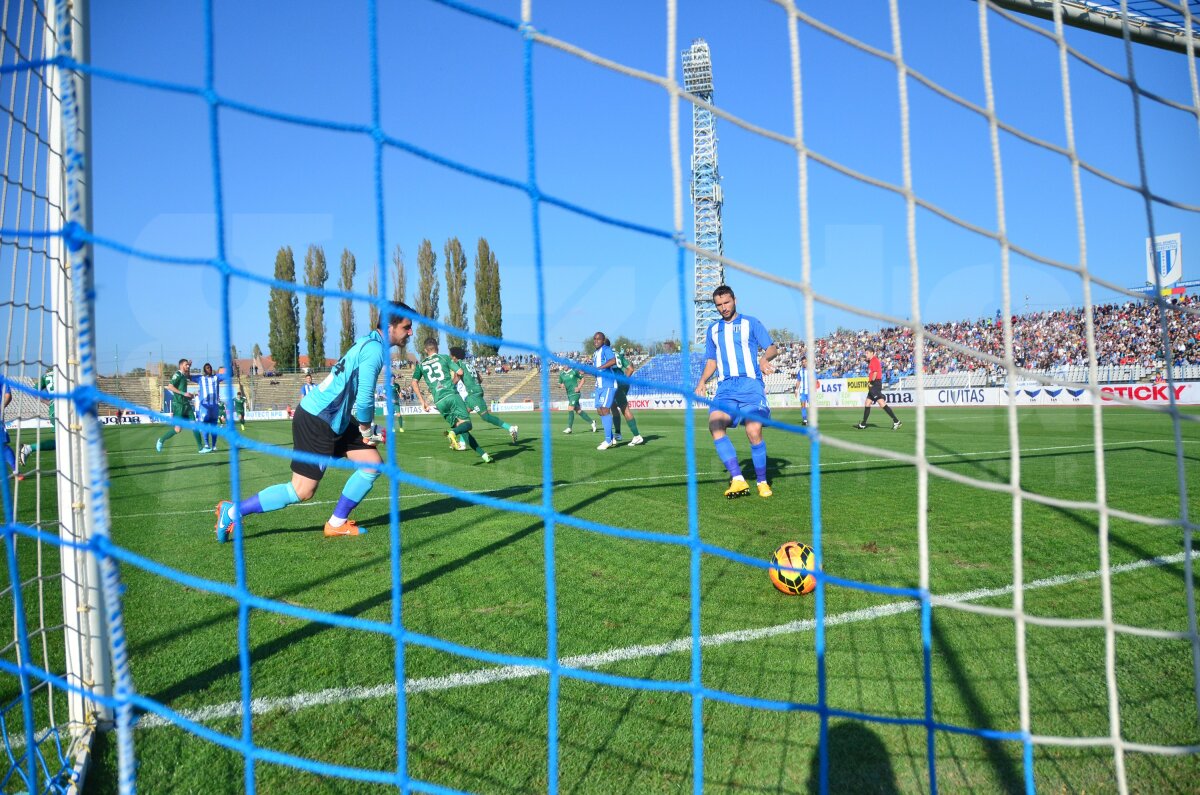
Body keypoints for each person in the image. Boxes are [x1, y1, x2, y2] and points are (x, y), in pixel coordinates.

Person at [215, 303, 416, 541]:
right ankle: (233, 511)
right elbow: (363, 401)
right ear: (390, 326)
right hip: (318, 419)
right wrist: (366, 430)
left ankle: (336, 523)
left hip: (335, 419)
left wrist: (366, 430)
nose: (411, 332)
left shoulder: (368, 343)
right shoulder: (373, 350)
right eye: (407, 327)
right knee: (301, 491)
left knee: (371, 464)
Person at [693, 285, 778, 498]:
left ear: (735, 300)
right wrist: (702, 380)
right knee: (715, 423)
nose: (723, 308)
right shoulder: (713, 329)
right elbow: (712, 360)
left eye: (727, 303)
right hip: (726, 389)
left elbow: (772, 348)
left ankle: (762, 481)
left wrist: (764, 358)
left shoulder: (751, 323)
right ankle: (738, 479)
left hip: (751, 386)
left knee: (753, 430)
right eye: (719, 305)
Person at [412, 337, 493, 463]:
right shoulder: (444, 357)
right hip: (451, 395)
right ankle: (453, 433)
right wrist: (453, 379)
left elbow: (414, 383)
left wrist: (423, 402)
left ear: (424, 350)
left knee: (463, 430)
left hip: (439, 402)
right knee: (467, 425)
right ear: (437, 347)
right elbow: (460, 372)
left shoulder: (421, 365)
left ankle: (484, 455)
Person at [449, 346, 518, 443]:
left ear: (455, 357)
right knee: (463, 416)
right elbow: (480, 379)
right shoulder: (469, 364)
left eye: (451, 356)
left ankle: (511, 428)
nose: (451, 358)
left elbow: (456, 379)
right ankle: (462, 443)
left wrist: (447, 388)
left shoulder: (459, 364)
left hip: (473, 394)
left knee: (486, 417)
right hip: (474, 392)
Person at [156, 358, 203, 453]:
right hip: (178, 406)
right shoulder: (177, 374)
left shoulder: (183, 375)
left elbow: (187, 373)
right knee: (178, 429)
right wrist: (183, 393)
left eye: (188, 365)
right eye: (186, 365)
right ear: (181, 365)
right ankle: (161, 440)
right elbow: (170, 386)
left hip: (186, 404)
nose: (188, 366)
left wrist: (188, 395)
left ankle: (201, 448)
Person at [18, 368, 57, 467]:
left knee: (62, 442)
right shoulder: (66, 373)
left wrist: (48, 402)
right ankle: (29, 448)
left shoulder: (46, 376)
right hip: (64, 410)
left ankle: (29, 448)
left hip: (54, 410)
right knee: (65, 441)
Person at [856, 348, 902, 430]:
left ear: (872, 353)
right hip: (874, 384)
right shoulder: (872, 361)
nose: (866, 354)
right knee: (867, 403)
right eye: (865, 353)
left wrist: (871, 383)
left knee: (881, 403)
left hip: (875, 384)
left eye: (867, 353)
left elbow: (875, 372)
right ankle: (863, 424)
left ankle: (896, 421)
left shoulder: (874, 360)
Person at [609, 344, 644, 446]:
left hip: (617, 385)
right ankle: (618, 433)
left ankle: (637, 436)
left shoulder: (605, 356)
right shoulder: (617, 354)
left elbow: (631, 369)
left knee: (624, 409)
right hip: (621, 384)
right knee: (614, 407)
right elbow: (630, 368)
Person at [591, 332, 620, 450]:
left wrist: (599, 368)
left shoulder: (606, 349)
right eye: (594, 339)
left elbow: (613, 361)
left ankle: (608, 440)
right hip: (599, 385)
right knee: (599, 410)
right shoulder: (595, 354)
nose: (596, 341)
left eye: (598, 339)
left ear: (603, 341)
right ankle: (612, 438)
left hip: (608, 384)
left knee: (605, 409)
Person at [557, 364, 596, 434]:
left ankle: (569, 428)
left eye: (566, 364)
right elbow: (559, 384)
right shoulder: (561, 374)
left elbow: (583, 379)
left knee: (570, 408)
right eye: (563, 364)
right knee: (578, 411)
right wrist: (560, 385)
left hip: (575, 394)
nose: (564, 366)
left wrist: (579, 387)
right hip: (569, 395)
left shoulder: (574, 371)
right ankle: (592, 422)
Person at [196, 362, 222, 453]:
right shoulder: (200, 378)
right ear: (204, 370)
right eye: (207, 368)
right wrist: (188, 367)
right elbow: (188, 376)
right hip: (204, 407)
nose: (209, 369)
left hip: (214, 406)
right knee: (205, 426)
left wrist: (232, 365)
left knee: (214, 427)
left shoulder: (216, 377)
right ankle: (207, 444)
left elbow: (230, 375)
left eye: (210, 367)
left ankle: (214, 445)